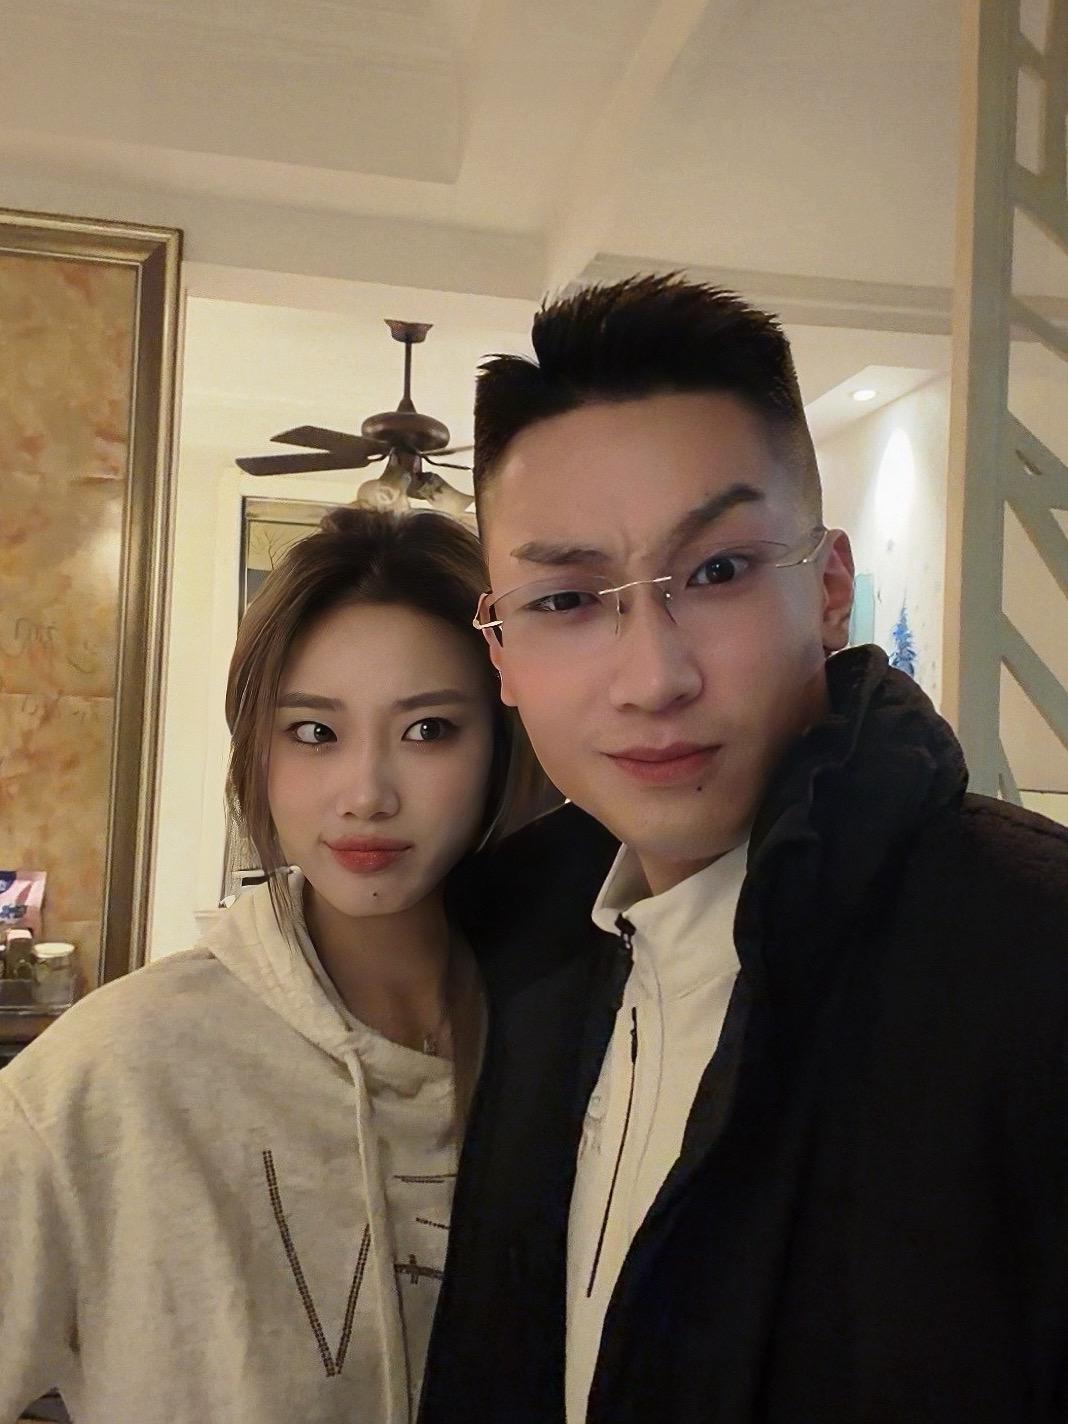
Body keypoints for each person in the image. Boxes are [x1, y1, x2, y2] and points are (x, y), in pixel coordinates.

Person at [420, 275, 1068, 1424]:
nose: (654, 675)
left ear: (830, 589)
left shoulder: (1031, 960)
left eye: (717, 571)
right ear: (502, 652)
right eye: (568, 600)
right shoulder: (516, 963)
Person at [0, 506, 548, 1424]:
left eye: (428, 730)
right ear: (257, 752)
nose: (366, 794)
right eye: (315, 733)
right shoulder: (111, 1078)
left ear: (501, 744)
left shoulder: (586, 1041)